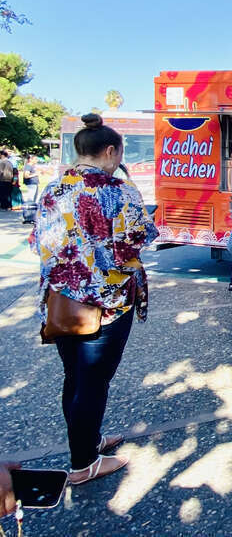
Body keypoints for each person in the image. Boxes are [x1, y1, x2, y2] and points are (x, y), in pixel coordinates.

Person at [34, 114, 158, 485]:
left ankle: (86, 440)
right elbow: (135, 240)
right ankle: (84, 462)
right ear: (110, 151)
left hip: (61, 300)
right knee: (93, 381)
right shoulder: (119, 191)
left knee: (74, 375)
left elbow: (42, 243)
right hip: (105, 304)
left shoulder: (52, 190)